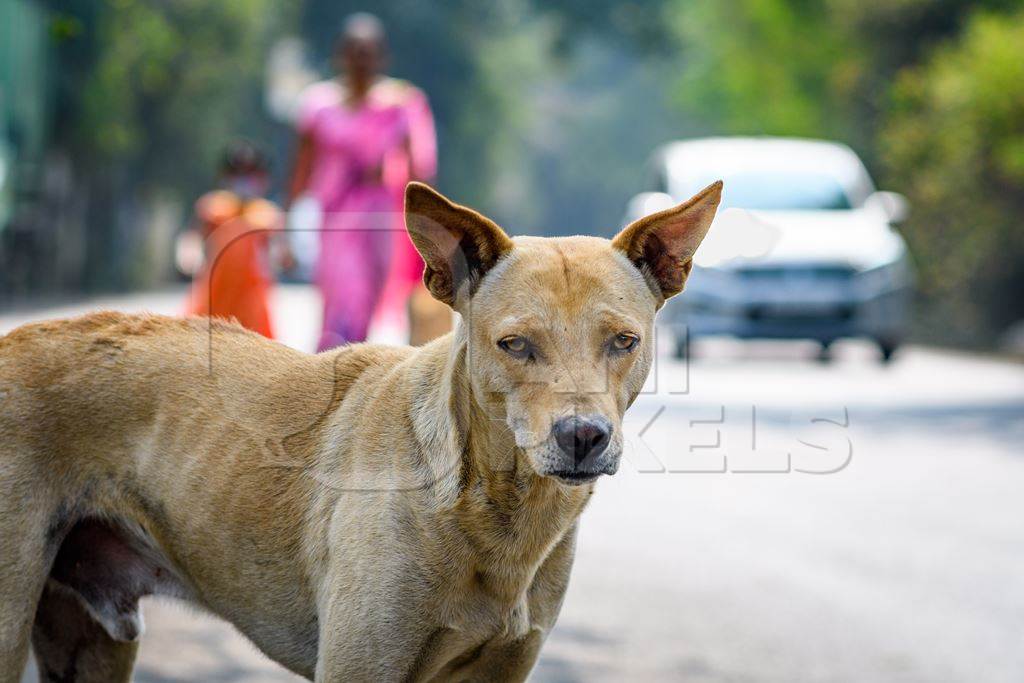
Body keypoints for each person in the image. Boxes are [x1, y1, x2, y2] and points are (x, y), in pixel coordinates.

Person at [288, 12, 442, 351]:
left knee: (369, 297)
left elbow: (420, 170)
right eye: (354, 51)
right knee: (344, 291)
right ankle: (332, 362)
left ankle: (350, 364)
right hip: (334, 219)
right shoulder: (318, 105)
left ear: (382, 57)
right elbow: (302, 168)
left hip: (379, 217)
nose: (361, 60)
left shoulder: (402, 104)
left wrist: (429, 226)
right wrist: (287, 228)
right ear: (340, 54)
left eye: (368, 52)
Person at [184, 140, 281, 338]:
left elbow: (279, 250)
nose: (243, 180)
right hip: (215, 293)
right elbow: (193, 237)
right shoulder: (212, 209)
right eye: (237, 174)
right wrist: (189, 254)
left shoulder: (267, 215)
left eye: (250, 174)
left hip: (252, 300)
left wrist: (282, 254)